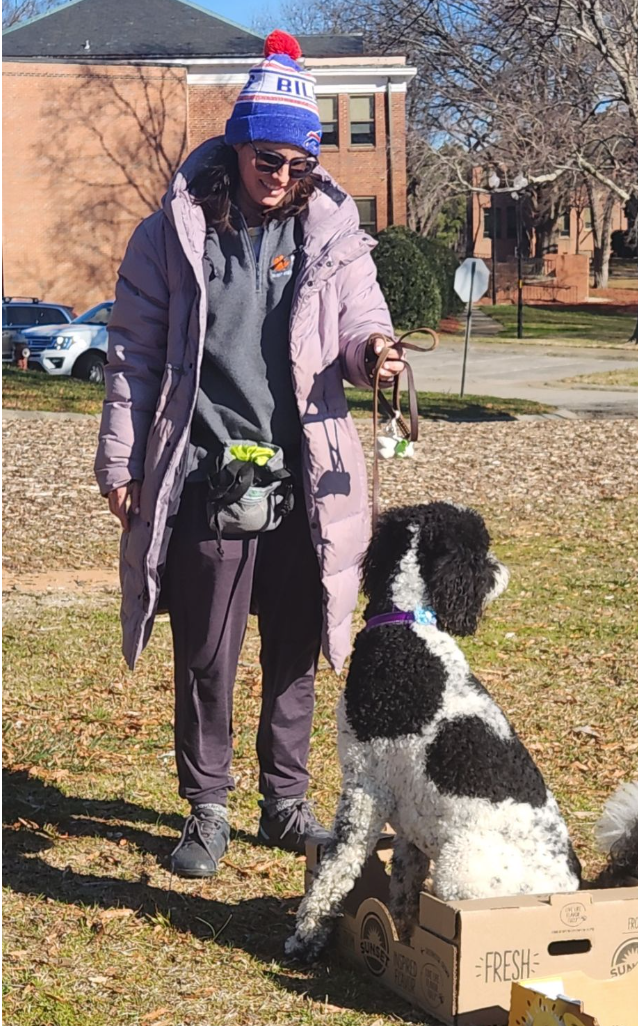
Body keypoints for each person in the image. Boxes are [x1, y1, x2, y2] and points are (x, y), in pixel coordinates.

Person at [94, 29, 404, 877]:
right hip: (205, 470)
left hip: (305, 473)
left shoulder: (332, 232)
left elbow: (358, 322)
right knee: (205, 650)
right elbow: (133, 354)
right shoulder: (170, 235)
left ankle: (286, 802)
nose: (281, 175)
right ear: (237, 146)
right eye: (268, 156)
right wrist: (122, 464)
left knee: (297, 646)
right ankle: (207, 809)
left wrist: (376, 351)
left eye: (299, 162)